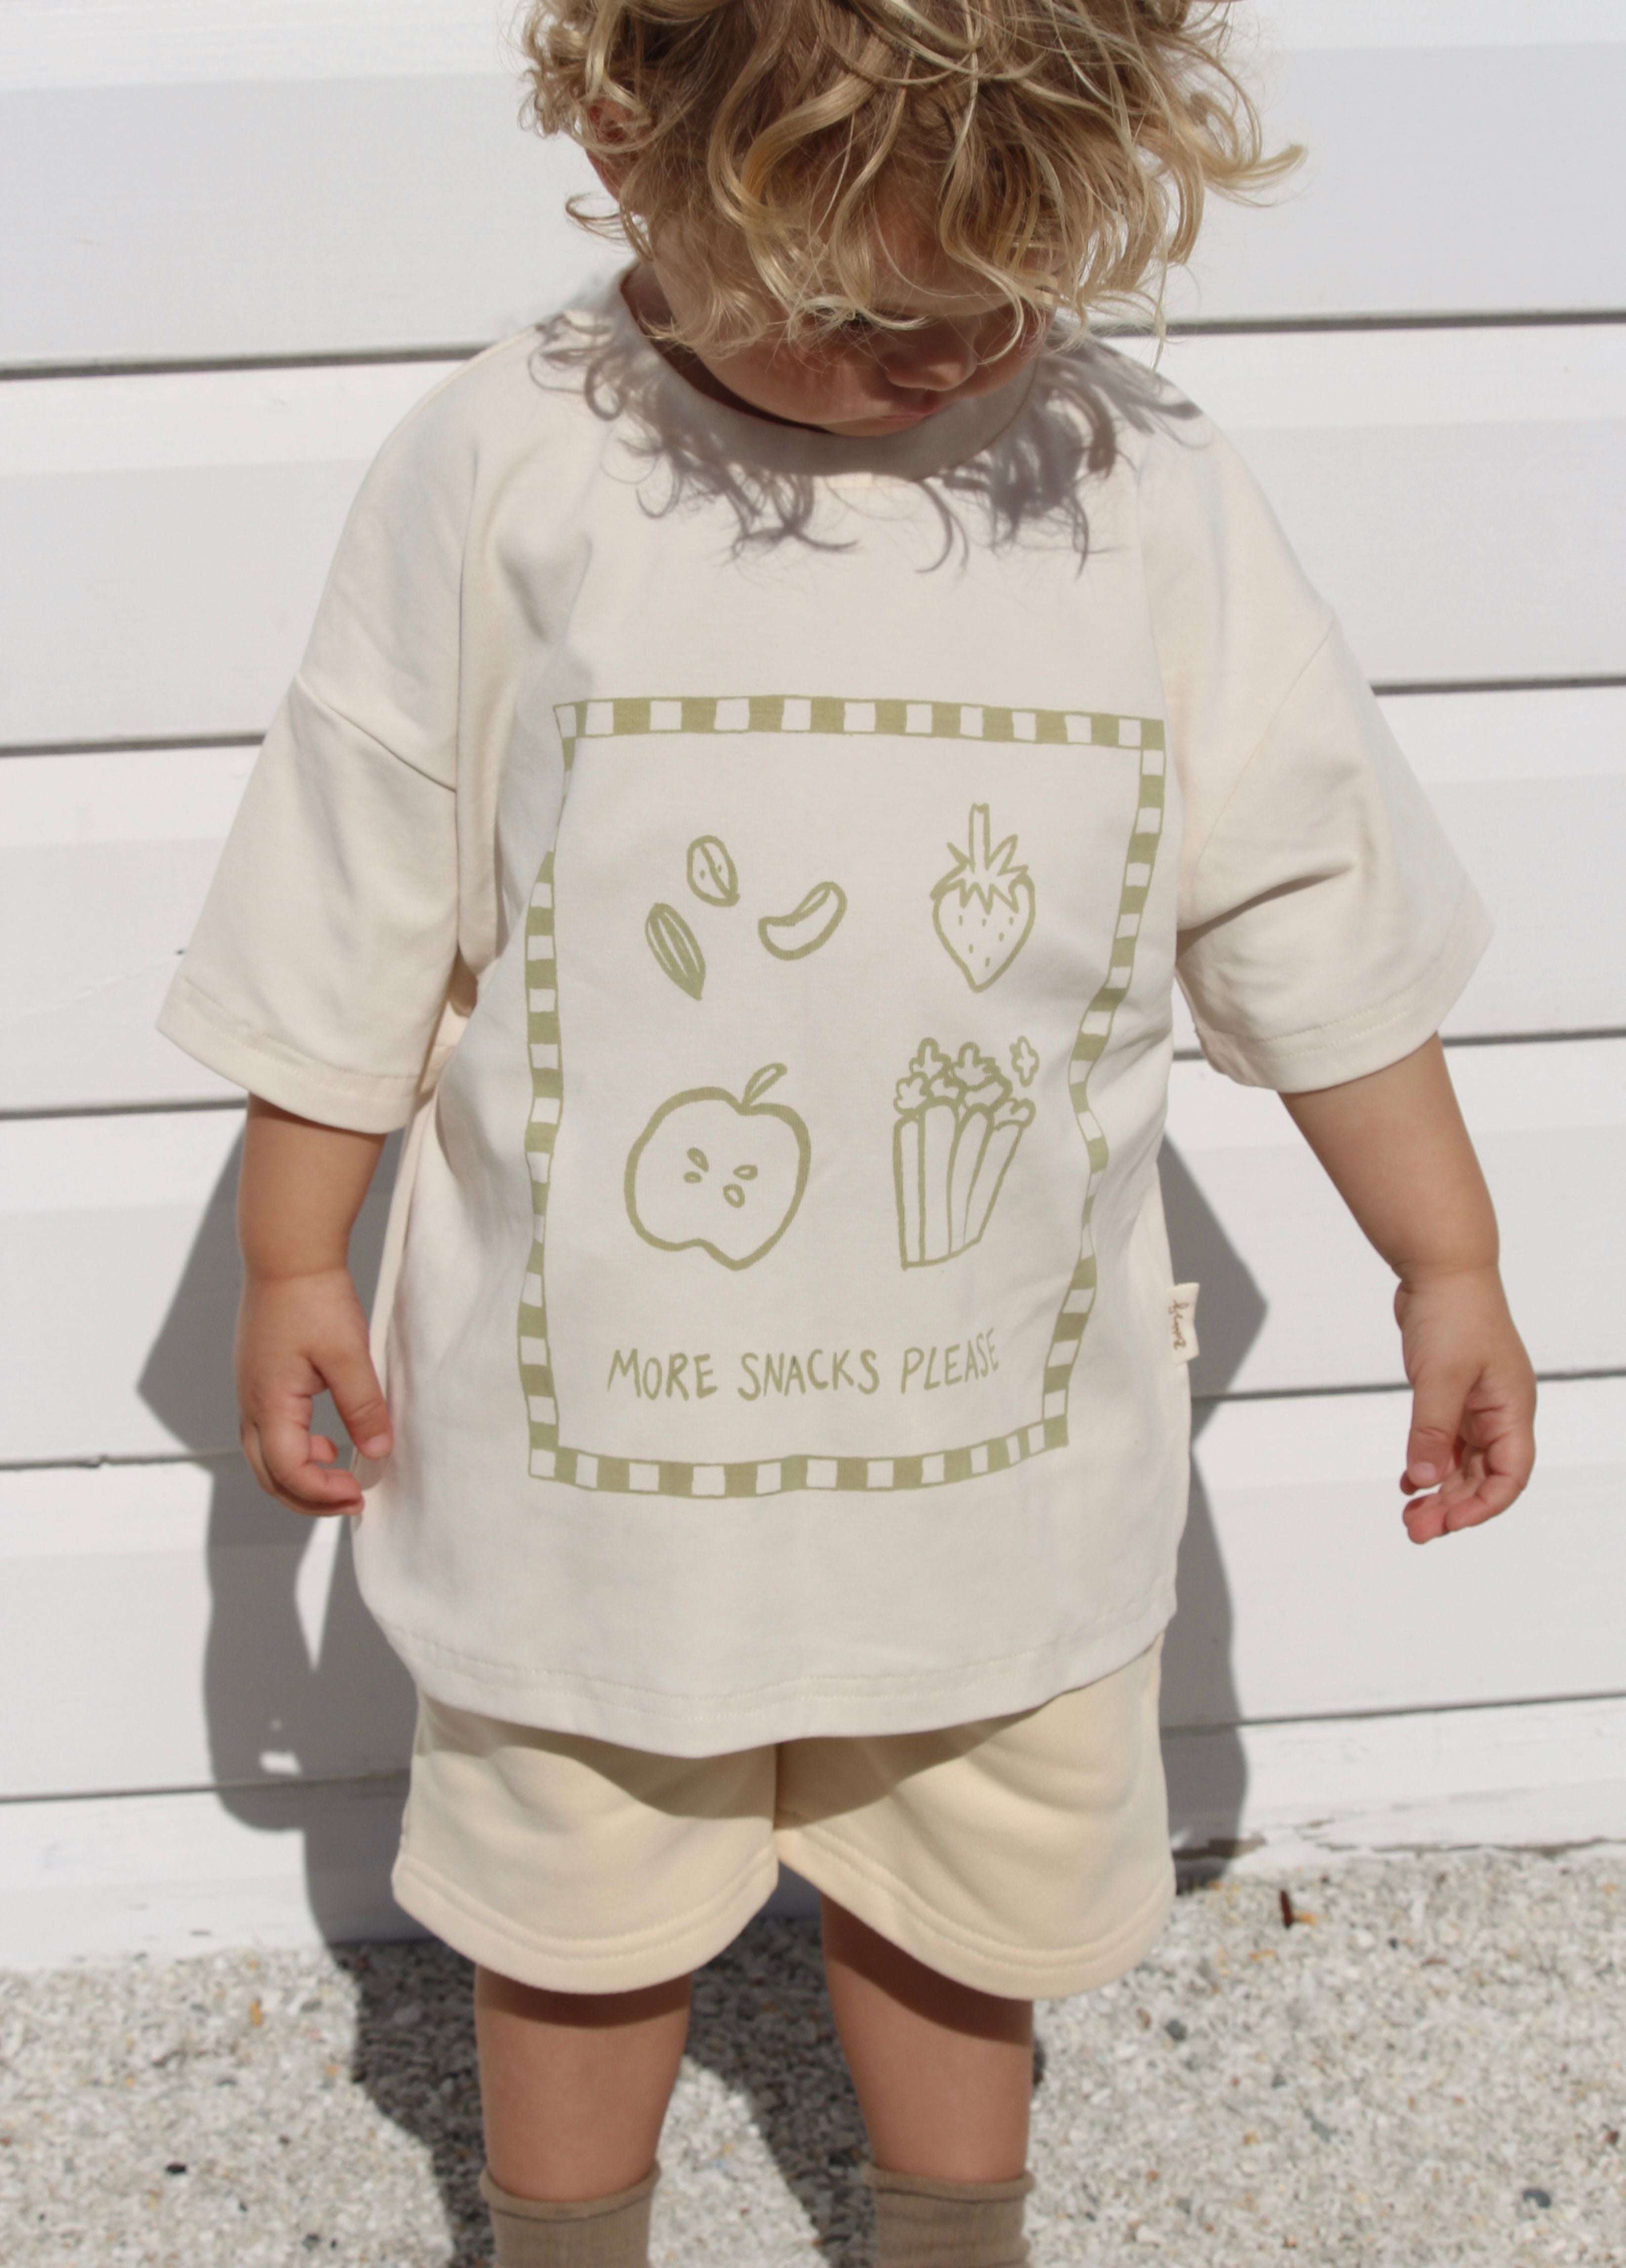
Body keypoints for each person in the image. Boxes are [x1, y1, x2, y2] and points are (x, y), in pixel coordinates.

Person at [158, 5, 1538, 2263]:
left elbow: (1306, 895)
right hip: (587, 1482)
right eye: (854, 308)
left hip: (990, 1467)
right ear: (626, 139)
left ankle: (944, 2227)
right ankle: (565, 2233)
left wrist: (1445, 1257)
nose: (928, 362)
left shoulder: (1138, 483)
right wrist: (299, 1255)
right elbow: (355, 878)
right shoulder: (511, 463)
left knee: (957, 1885)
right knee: (574, 1902)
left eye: (981, 298)